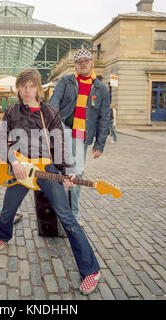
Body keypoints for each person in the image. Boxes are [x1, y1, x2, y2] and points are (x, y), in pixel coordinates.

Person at [0, 68, 101, 295]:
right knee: (7, 211)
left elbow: (60, 144)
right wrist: (13, 161)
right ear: (18, 88)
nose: (27, 90)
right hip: (20, 170)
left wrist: (68, 171)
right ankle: (3, 235)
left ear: (38, 88)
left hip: (46, 169)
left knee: (67, 217)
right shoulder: (12, 111)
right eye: (23, 86)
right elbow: (0, 138)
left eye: (31, 85)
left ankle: (91, 271)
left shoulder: (50, 112)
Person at [49, 49, 110, 224]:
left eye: (86, 60)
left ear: (92, 63)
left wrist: (100, 145)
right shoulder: (66, 81)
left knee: (78, 173)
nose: (83, 64)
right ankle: (57, 210)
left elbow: (104, 117)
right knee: (58, 171)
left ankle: (73, 214)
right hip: (63, 130)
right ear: (75, 65)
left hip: (82, 136)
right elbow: (54, 101)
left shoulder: (101, 88)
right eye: (79, 61)